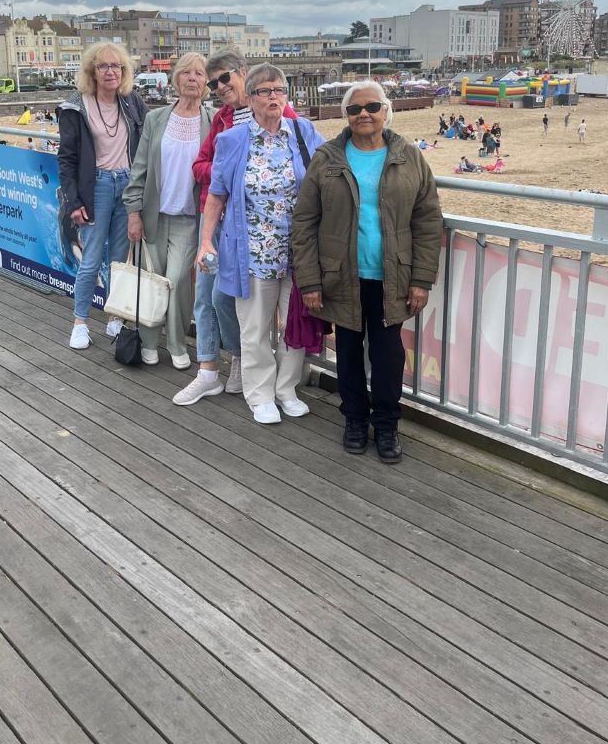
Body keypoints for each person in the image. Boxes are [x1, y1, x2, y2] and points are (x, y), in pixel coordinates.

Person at [292, 81, 442, 463]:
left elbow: (427, 220)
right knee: (348, 353)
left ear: (386, 111)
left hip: (393, 275)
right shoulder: (327, 159)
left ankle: (388, 424)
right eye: (355, 108)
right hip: (342, 275)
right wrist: (309, 281)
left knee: (389, 354)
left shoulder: (408, 156)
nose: (364, 114)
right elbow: (305, 222)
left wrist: (421, 280)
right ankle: (355, 420)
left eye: (372, 107)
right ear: (346, 115)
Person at [198, 63, 324, 424]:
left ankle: (286, 389)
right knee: (254, 328)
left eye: (279, 90)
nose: (273, 97)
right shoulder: (232, 140)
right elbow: (217, 196)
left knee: (295, 325)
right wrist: (206, 240)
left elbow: (328, 172)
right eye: (265, 91)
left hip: (299, 252)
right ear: (250, 98)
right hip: (252, 251)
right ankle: (260, 394)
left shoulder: (303, 131)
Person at [176, 50, 300, 406]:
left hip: (265, 232)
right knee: (209, 297)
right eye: (213, 83)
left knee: (241, 303)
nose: (218, 87)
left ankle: (246, 366)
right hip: (221, 223)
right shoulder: (225, 122)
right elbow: (201, 167)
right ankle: (214, 370)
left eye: (224, 78)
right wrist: (225, 171)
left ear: (243, 73)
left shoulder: (286, 119)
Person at [124, 53, 212, 369]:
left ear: (206, 83)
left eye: (199, 73)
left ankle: (176, 343)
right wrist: (133, 212)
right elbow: (140, 168)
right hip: (154, 215)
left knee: (177, 279)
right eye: (186, 72)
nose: (192, 78)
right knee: (152, 278)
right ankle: (148, 341)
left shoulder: (212, 120)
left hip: (190, 217)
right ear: (175, 80)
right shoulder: (155, 118)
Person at [58, 42, 147, 350]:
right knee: (91, 258)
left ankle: (114, 316)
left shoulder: (131, 101)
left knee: (119, 259)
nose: (110, 72)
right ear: (91, 72)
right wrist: (73, 201)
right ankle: (80, 322)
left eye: (116, 66)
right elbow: (66, 159)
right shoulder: (75, 106)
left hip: (127, 183)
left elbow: (150, 137)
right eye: (103, 66)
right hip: (95, 187)